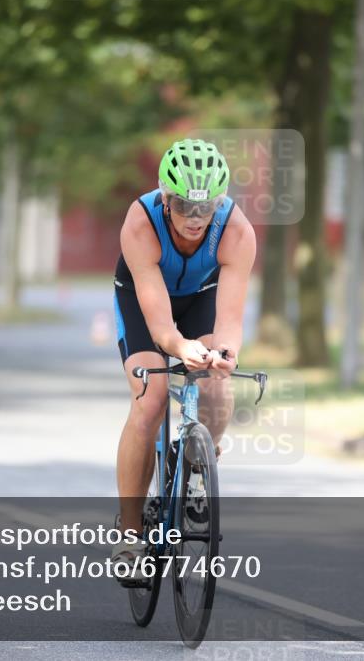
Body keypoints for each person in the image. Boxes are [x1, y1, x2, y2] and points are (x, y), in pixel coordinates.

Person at [109, 139, 256, 576]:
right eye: (184, 207)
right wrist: (178, 347)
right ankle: (130, 534)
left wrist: (224, 353)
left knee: (217, 384)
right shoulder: (140, 222)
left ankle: (196, 466)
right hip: (143, 299)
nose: (196, 220)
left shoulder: (236, 230)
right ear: (165, 198)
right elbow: (159, 326)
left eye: (206, 207)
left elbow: (229, 320)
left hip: (201, 298)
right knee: (151, 399)